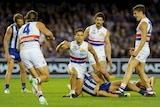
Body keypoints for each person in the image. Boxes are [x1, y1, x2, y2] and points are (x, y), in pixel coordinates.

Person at [18, 10, 55, 105]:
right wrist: (51, 38)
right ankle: (34, 80)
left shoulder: (21, 28)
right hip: (34, 51)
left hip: (23, 53)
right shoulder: (38, 24)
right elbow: (48, 33)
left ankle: (41, 98)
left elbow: (18, 46)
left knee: (38, 76)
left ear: (26, 19)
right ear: (36, 18)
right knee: (46, 77)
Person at [118, 4, 155, 97]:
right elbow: (144, 40)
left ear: (141, 12)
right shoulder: (148, 22)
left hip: (142, 49)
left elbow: (143, 39)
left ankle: (120, 89)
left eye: (135, 13)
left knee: (129, 67)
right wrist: (136, 48)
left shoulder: (143, 23)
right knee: (140, 71)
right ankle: (150, 91)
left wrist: (137, 52)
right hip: (144, 48)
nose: (134, 15)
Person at [56, 28, 100, 98]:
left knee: (78, 93)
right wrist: (60, 44)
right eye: (78, 35)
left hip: (82, 67)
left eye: (81, 35)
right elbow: (58, 50)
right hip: (72, 64)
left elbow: (94, 54)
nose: (79, 37)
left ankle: (73, 90)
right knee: (73, 73)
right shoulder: (70, 44)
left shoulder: (87, 45)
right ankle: (72, 93)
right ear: (75, 36)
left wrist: (97, 65)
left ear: (83, 37)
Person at [3, 13, 31, 94]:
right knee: (10, 69)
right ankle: (7, 88)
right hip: (12, 50)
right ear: (15, 22)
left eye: (21, 21)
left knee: (23, 70)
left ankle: (23, 88)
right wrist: (7, 54)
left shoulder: (24, 28)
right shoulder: (10, 28)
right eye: (19, 22)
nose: (21, 23)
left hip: (21, 51)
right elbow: (5, 41)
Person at [64, 71, 146, 97]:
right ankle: (119, 96)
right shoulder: (77, 82)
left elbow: (100, 81)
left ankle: (143, 92)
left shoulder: (89, 73)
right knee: (101, 93)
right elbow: (79, 93)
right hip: (97, 93)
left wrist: (98, 85)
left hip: (103, 86)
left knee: (124, 82)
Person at [84, 12, 113, 82]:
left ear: (103, 21)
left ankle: (111, 85)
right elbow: (81, 40)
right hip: (91, 53)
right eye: (97, 20)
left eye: (100, 20)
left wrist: (109, 56)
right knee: (98, 72)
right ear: (95, 20)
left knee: (103, 71)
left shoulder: (105, 31)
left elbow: (108, 44)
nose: (98, 21)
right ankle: (105, 87)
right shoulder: (89, 29)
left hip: (100, 52)